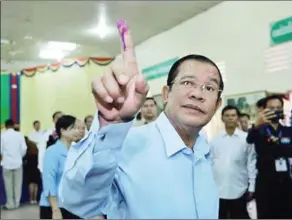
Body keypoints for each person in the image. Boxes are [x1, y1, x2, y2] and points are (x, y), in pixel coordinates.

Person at [60, 22, 224, 219]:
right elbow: (78, 201)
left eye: (209, 88)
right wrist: (111, 127)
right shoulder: (126, 145)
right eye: (188, 82)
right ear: (166, 93)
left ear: (217, 104)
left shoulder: (203, 148)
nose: (198, 93)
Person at [247, 95, 292, 219]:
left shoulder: (287, 130)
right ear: (264, 110)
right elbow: (249, 139)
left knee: (287, 215)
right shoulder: (258, 130)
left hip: (285, 181)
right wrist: (256, 125)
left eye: (278, 108)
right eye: (271, 108)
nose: (275, 110)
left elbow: (291, 149)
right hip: (265, 183)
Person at [211, 105, 256, 219]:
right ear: (222, 118)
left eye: (233, 115)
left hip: (240, 188)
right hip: (218, 189)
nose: (230, 118)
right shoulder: (215, 140)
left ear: (238, 118)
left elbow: (251, 163)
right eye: (227, 115)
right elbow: (211, 163)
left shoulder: (246, 139)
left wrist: (252, 187)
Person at [39, 115, 81, 219]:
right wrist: (55, 209)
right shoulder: (52, 151)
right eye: (73, 128)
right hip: (55, 206)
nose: (77, 131)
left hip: (72, 205)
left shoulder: (75, 152)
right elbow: (49, 181)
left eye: (78, 128)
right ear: (62, 131)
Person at [0, 119, 27, 209]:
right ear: (14, 125)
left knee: (8, 185)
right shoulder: (19, 135)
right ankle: (17, 203)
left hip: (6, 163)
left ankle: (10, 204)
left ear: (5, 126)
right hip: (18, 162)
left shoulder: (2, 136)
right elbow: (24, 148)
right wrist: (19, 156)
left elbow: (0, 150)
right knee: (18, 184)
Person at [24, 136, 41, 204]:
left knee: (31, 183)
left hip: (29, 168)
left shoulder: (27, 149)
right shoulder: (35, 148)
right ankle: (35, 199)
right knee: (36, 184)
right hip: (36, 167)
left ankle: (31, 199)